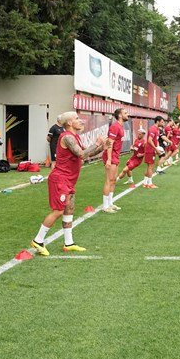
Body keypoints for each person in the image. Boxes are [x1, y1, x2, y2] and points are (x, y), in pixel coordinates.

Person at [31, 112, 106, 256]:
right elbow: (82, 155)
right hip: (60, 179)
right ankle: (38, 240)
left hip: (69, 180)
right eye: (77, 119)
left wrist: (102, 147)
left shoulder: (75, 137)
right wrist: (97, 143)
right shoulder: (67, 137)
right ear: (70, 123)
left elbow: (86, 154)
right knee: (58, 211)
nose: (81, 121)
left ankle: (69, 243)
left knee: (69, 209)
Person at [101, 108, 128, 214]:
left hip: (115, 156)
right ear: (120, 115)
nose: (127, 114)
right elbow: (109, 143)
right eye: (125, 113)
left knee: (113, 180)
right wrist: (108, 159)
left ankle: (110, 203)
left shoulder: (120, 126)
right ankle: (105, 206)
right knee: (109, 180)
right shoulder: (115, 126)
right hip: (111, 156)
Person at [142, 116, 165, 189]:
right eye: (162, 122)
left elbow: (156, 140)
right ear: (157, 121)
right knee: (151, 167)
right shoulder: (153, 129)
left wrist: (157, 147)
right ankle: (150, 183)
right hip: (150, 150)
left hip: (152, 150)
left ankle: (145, 183)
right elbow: (149, 140)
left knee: (149, 166)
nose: (163, 123)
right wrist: (156, 148)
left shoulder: (157, 129)